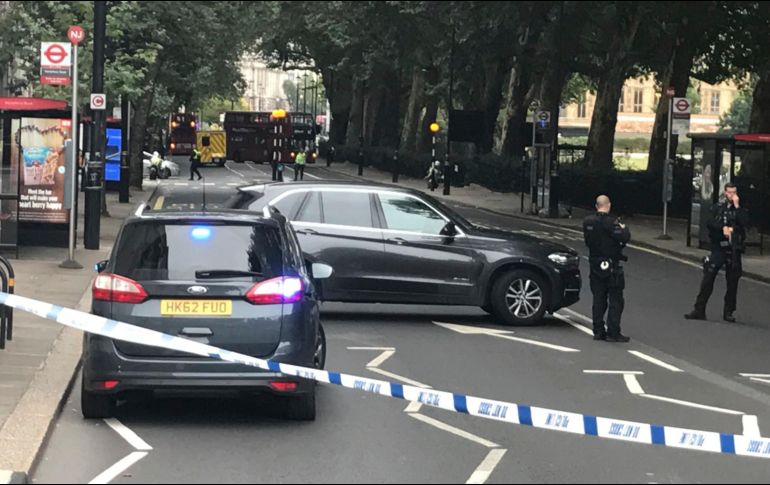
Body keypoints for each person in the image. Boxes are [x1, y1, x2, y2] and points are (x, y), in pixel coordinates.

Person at [685, 183, 749, 323]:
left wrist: (737, 207)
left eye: (734, 192)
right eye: (729, 192)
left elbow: (745, 223)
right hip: (719, 248)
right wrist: (723, 228)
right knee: (708, 277)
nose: (732, 195)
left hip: (733, 250)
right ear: (725, 193)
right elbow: (710, 222)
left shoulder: (741, 210)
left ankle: (729, 311)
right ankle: (699, 309)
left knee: (732, 281)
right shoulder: (718, 208)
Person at [583, 195, 632, 343]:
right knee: (616, 300)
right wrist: (624, 229)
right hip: (611, 265)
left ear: (596, 205)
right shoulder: (612, 222)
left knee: (598, 299)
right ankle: (613, 332)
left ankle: (598, 331)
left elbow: (587, 241)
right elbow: (624, 237)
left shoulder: (588, 222)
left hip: (595, 263)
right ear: (608, 205)